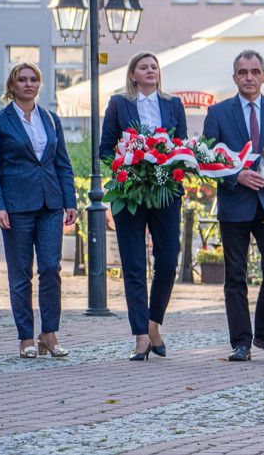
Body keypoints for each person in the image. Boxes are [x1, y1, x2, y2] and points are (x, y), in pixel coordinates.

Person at [0, 62, 78, 358]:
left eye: (34, 79)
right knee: (21, 274)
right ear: (12, 86)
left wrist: (70, 201)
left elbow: (62, 162)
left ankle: (48, 333)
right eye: (22, 80)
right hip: (16, 207)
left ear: (39, 85)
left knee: (51, 268)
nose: (28, 84)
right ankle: (25, 337)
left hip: (51, 204)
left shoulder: (50, 119)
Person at [202, 50, 264, 362]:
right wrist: (235, 176)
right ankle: (241, 342)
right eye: (242, 72)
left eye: (254, 72)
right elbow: (207, 159)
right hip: (235, 204)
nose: (249, 77)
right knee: (235, 275)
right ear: (235, 77)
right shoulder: (218, 112)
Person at [100, 52, 187, 361]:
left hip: (166, 192)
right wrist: (130, 163)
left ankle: (153, 323)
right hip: (129, 194)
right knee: (134, 265)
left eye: (155, 67)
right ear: (132, 75)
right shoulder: (118, 104)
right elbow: (105, 150)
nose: (152, 70)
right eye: (144, 67)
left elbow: (182, 146)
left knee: (167, 263)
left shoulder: (173, 104)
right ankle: (140, 336)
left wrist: (169, 162)